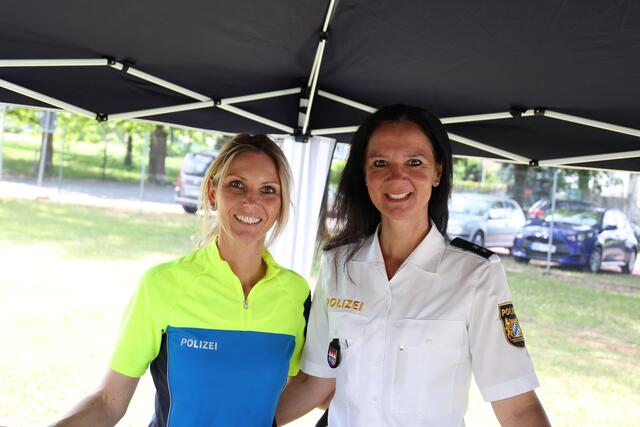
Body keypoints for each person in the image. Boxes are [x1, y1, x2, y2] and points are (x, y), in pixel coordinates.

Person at [276, 105, 550, 426]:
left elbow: (517, 406)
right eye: (380, 163)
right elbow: (315, 381)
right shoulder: (338, 263)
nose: (397, 176)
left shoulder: (476, 274)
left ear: (438, 172)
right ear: (364, 173)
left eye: (415, 162)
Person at [52, 134, 311, 426]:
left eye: (268, 190)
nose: (252, 201)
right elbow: (108, 402)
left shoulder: (296, 293)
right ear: (212, 192)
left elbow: (311, 382)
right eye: (237, 185)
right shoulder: (162, 283)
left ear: (280, 205)